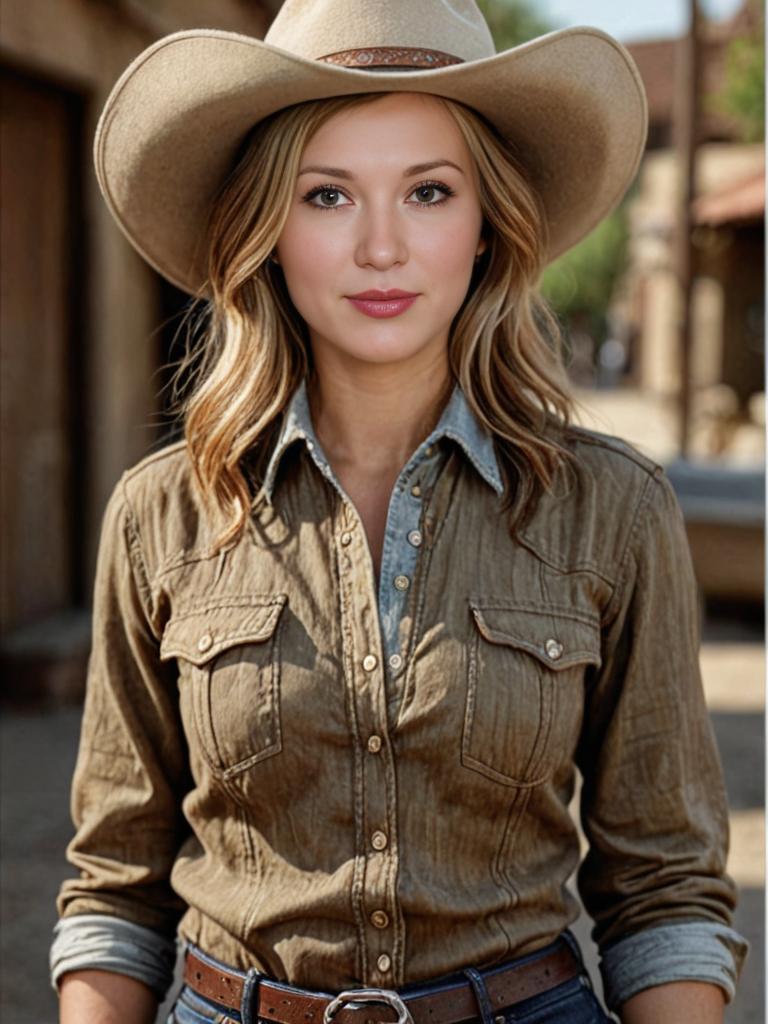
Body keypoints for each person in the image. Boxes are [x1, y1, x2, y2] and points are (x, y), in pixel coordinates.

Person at [50, 2, 748, 1022]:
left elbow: (666, 888)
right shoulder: (162, 514)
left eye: (429, 191)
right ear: (268, 232)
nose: (383, 246)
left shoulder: (612, 509)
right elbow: (115, 882)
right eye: (327, 194)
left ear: (484, 227)